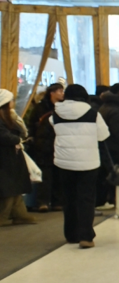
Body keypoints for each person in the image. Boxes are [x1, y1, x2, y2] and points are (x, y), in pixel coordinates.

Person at [50, 84, 109, 248]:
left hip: (64, 162)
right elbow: (103, 135)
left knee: (69, 199)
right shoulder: (93, 113)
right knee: (86, 199)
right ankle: (86, 236)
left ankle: (71, 234)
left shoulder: (55, 114)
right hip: (88, 162)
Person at [25, 83, 63, 211]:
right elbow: (31, 124)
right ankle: (43, 202)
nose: (62, 93)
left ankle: (57, 202)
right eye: (59, 91)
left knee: (58, 174)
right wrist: (33, 138)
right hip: (43, 144)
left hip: (59, 143)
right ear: (52, 93)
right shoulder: (41, 107)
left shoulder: (63, 107)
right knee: (45, 174)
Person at [0, 89, 36, 226]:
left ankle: (20, 214)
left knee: (15, 187)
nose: (13, 102)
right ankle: (4, 216)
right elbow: (4, 136)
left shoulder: (10, 116)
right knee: (8, 188)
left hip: (12, 156)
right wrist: (16, 139)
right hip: (5, 157)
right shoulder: (3, 119)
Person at [97, 84, 119, 208]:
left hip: (105, 146)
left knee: (105, 174)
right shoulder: (115, 110)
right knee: (114, 174)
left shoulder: (105, 106)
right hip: (114, 147)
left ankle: (104, 200)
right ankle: (111, 200)